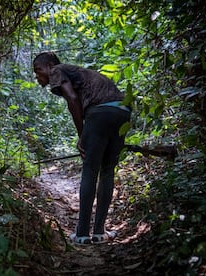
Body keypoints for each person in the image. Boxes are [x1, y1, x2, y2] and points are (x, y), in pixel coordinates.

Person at [33, 52, 131, 244]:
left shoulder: (57, 70)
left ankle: (83, 233)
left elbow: (72, 98)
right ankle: (99, 232)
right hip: (122, 112)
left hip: (100, 112)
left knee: (90, 169)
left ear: (50, 65)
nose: (37, 76)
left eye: (38, 70)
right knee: (107, 171)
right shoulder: (78, 72)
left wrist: (82, 134)